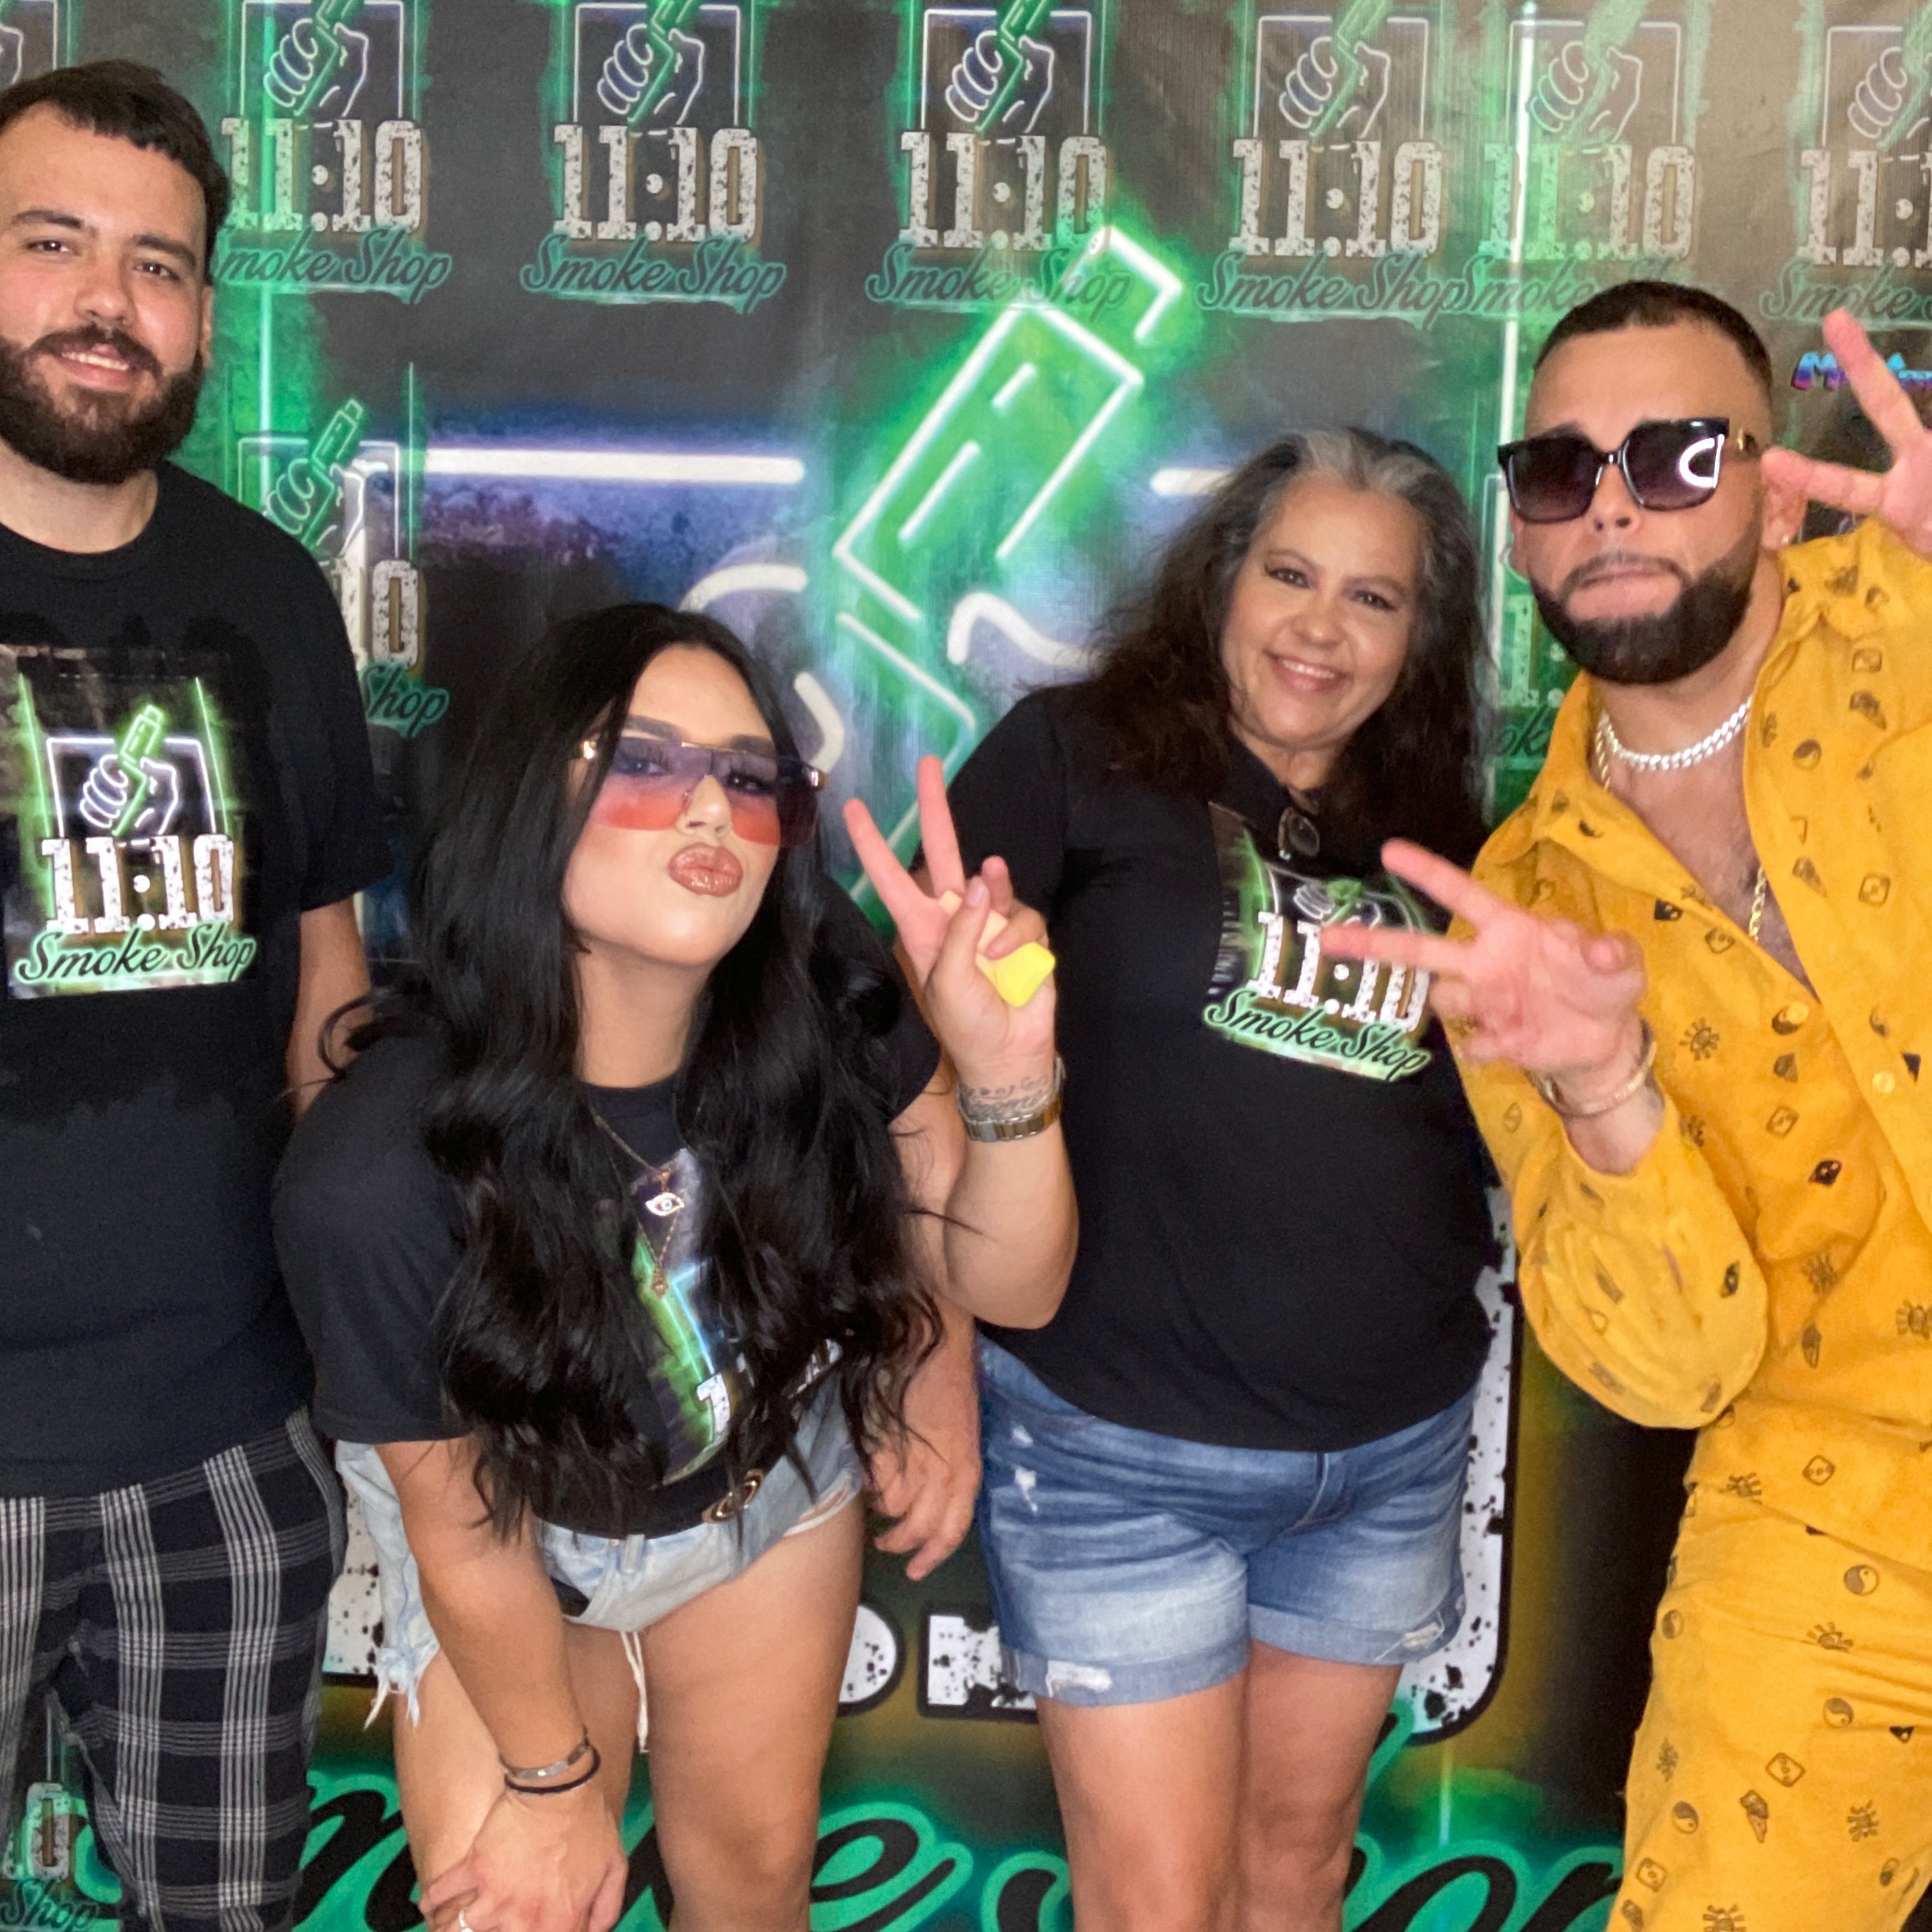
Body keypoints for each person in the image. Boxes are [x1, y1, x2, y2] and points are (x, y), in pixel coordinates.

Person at [272, 603, 1074, 1932]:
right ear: (535, 795)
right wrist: (549, 1780)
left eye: (751, 777)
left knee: (752, 1890)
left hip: (757, 1489)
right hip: (512, 1525)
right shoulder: (374, 1168)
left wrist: (1009, 1083)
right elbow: (462, 1532)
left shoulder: (823, 993)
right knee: (521, 1901)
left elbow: (1018, 1283)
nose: (711, 805)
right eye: (642, 761)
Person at [1324, 283, 1932, 1931]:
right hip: (1826, 1521)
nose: (1609, 505)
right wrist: (1603, 1085)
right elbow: (1668, 1370)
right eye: (1558, 471)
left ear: (1771, 480)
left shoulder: (1915, 607)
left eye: (1673, 457)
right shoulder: (1521, 915)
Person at [942, 429, 1498, 1932]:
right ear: (1223, 584)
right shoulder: (1072, 758)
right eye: (1292, 575)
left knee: (1301, 1860)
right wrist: (928, 1364)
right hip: (1121, 1444)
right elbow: (917, 1074)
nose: (1321, 627)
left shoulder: (1452, 828)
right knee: (1159, 1903)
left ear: (1420, 640)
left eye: (1375, 600)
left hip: (1384, 1450)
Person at [0, 61, 387, 1932]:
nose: (108, 300)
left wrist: (332, 1345)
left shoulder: (269, 591)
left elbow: (328, 971)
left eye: (160, 266)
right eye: (52, 242)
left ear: (207, 313)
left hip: (222, 1448)